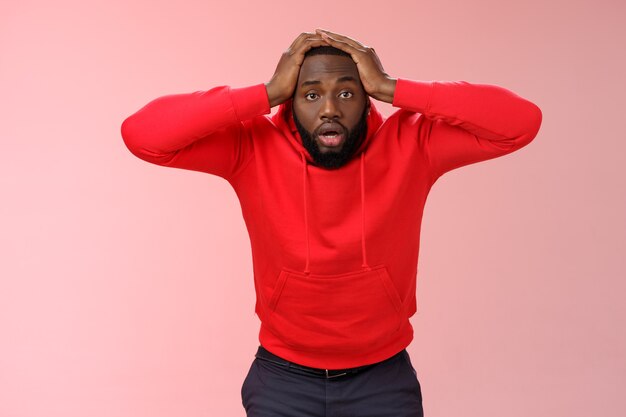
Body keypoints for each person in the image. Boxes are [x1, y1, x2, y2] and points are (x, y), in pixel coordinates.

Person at [121, 29, 542, 417]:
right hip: (282, 381)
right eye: (310, 95)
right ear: (290, 100)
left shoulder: (413, 145)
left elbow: (519, 123)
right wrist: (265, 93)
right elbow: (143, 135)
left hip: (382, 380)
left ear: (367, 98)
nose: (329, 109)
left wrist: (393, 87)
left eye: (346, 93)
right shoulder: (251, 147)